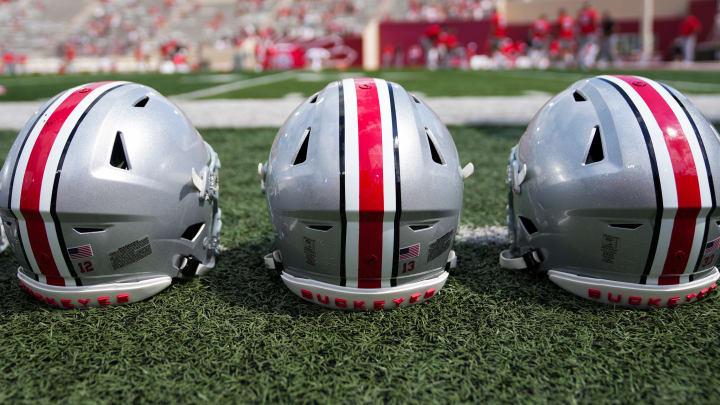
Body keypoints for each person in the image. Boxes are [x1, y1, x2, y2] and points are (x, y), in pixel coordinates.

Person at [577, 2, 599, 68]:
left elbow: (578, 24)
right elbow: (595, 21)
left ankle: (582, 62)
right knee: (591, 47)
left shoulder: (581, 13)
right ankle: (588, 62)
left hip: (583, 33)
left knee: (582, 48)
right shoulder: (592, 13)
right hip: (590, 32)